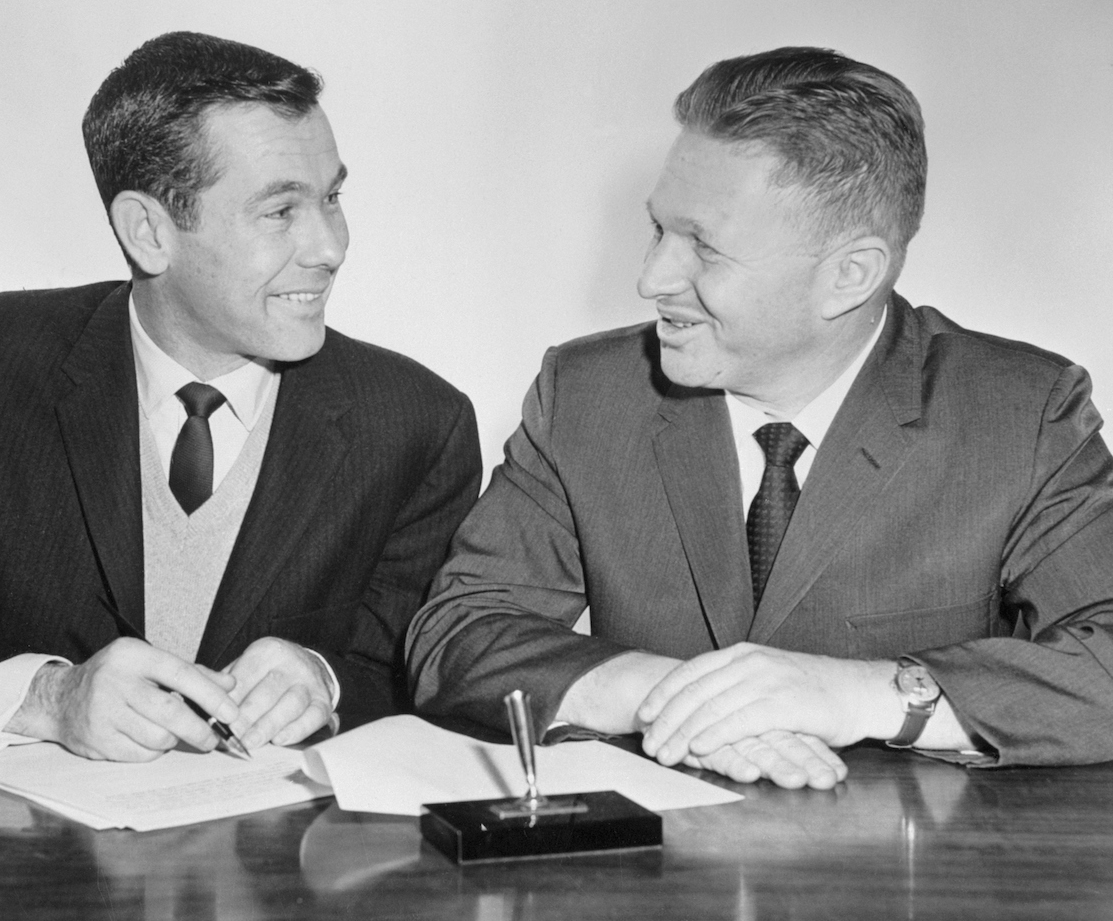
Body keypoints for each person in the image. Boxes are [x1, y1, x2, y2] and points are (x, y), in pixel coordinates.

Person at [407, 46, 1113, 789]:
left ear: (850, 275)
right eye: (659, 231)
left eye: (704, 248)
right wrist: (675, 701)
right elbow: (459, 630)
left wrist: (856, 695)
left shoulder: (1022, 413)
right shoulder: (586, 393)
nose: (651, 279)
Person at [0, 31, 481, 761]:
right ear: (147, 232)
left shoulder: (419, 424)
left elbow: (428, 668)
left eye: (332, 197)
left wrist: (326, 682)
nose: (330, 245)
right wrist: (50, 698)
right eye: (280, 212)